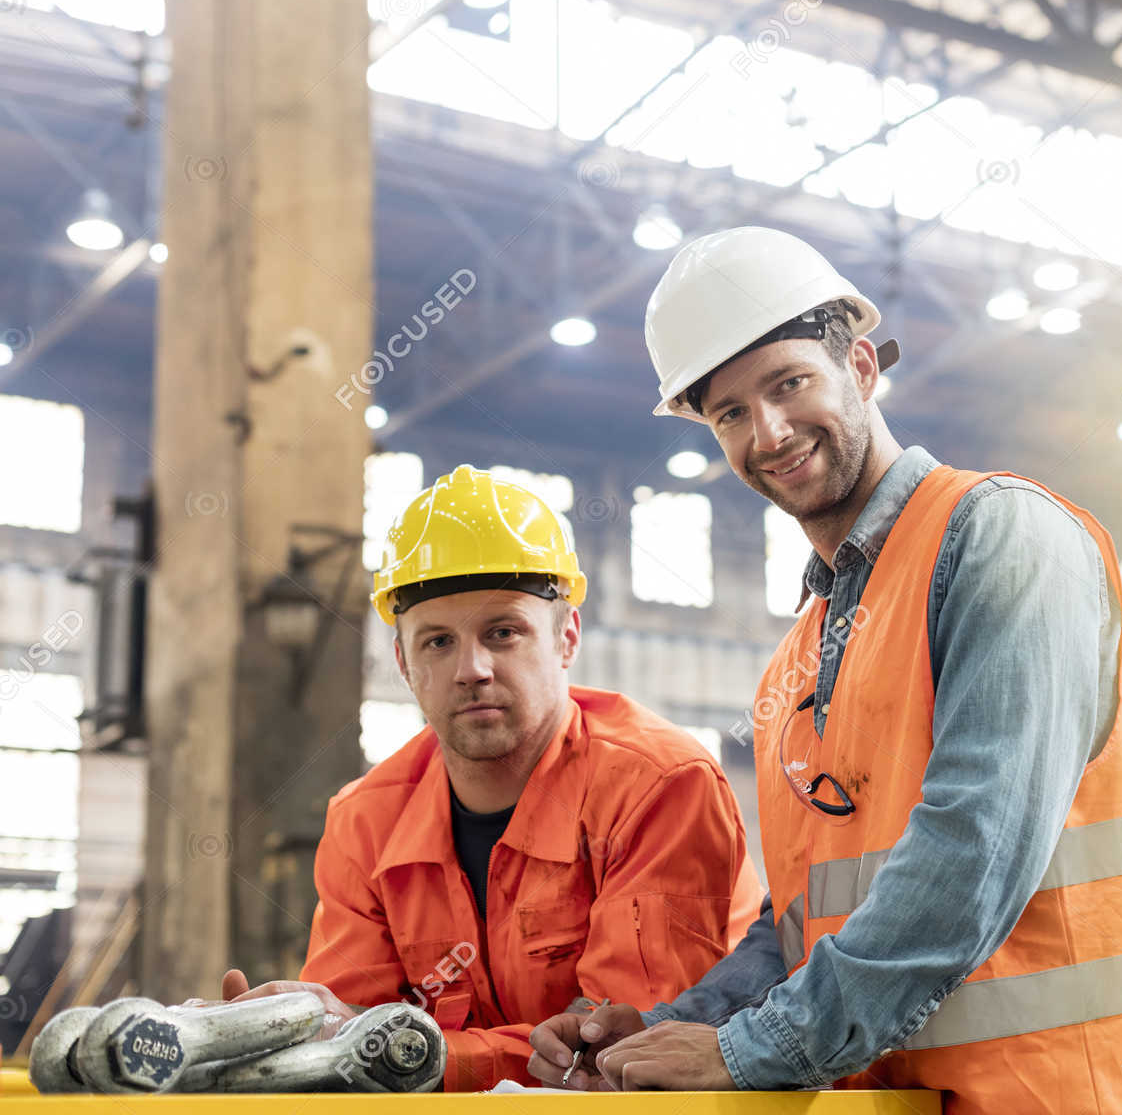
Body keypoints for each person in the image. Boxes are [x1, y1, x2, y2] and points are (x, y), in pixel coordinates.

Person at [527, 227, 1122, 1112]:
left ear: (860, 365)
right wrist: (673, 1032)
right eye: (729, 414)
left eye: (789, 384)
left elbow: (975, 847)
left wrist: (759, 1049)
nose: (769, 433)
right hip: (905, 1100)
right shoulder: (799, 655)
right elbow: (799, 919)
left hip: (1080, 1095)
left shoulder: (1003, 538)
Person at [212, 464, 765, 1091]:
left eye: (503, 633)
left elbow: (621, 1053)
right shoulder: (364, 822)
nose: (471, 668)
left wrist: (413, 1053)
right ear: (403, 662)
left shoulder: (658, 788)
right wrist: (292, 1037)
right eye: (438, 642)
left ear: (567, 637)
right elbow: (351, 1047)